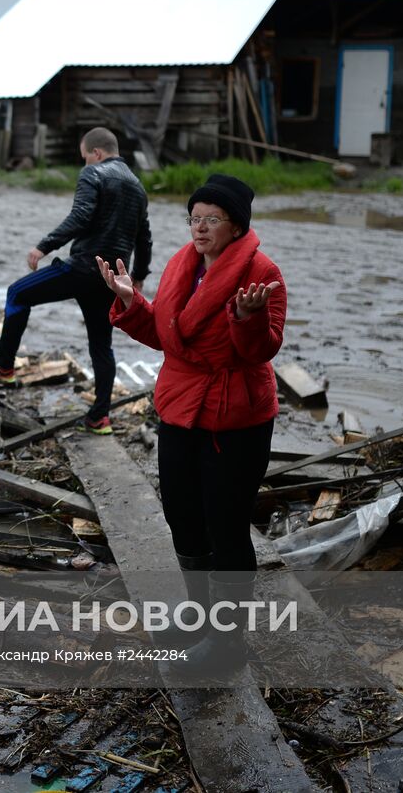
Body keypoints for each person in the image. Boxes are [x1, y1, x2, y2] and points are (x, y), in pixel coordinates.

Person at [96, 173, 285, 675]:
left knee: (226, 525)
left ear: (235, 224)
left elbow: (263, 351)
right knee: (182, 514)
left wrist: (248, 320)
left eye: (211, 220)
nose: (199, 228)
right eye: (194, 218)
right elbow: (168, 337)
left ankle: (227, 644)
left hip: (236, 417)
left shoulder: (263, 273)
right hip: (180, 407)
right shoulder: (183, 264)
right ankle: (199, 614)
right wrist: (131, 303)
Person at [0, 127, 152, 434]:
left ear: (96, 153)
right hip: (110, 279)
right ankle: (99, 417)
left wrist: (44, 246)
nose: (84, 164)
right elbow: (144, 238)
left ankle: (2, 366)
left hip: (82, 267)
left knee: (17, 293)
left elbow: (81, 216)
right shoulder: (137, 186)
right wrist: (139, 276)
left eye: (84, 158)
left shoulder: (94, 174)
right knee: (101, 345)